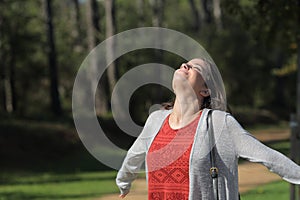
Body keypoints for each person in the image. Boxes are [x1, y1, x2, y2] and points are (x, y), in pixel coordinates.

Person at [116, 58, 300, 200]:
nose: (184, 66)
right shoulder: (156, 120)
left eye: (195, 67)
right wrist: (124, 181)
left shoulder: (220, 124)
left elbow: (268, 157)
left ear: (205, 90)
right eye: (185, 64)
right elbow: (134, 155)